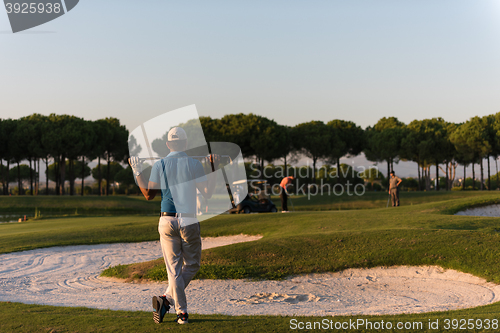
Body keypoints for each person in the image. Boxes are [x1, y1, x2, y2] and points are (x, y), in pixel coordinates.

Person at [129, 127, 219, 325]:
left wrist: (137, 171)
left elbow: (148, 194)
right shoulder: (194, 164)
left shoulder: (160, 164)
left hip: (166, 220)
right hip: (188, 219)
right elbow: (207, 192)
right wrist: (213, 168)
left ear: (168, 145)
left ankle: (168, 302)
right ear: (186, 144)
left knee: (174, 271)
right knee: (192, 265)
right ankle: (180, 312)